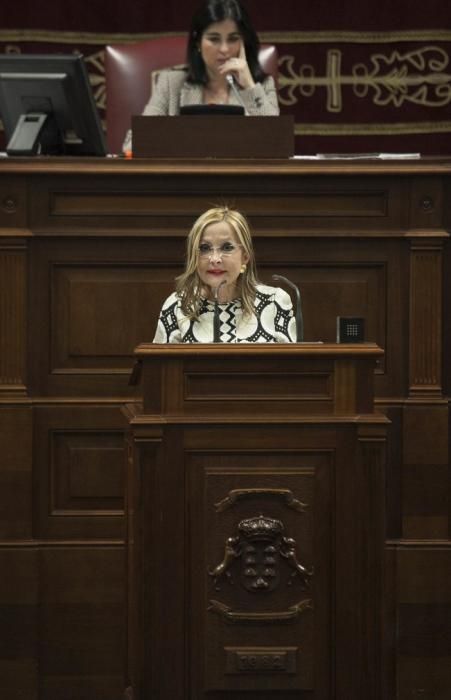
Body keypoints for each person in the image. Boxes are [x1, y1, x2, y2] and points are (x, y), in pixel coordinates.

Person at [123, 0, 279, 152]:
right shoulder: (171, 84)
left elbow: (277, 143)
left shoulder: (261, 86)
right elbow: (132, 145)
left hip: (242, 177)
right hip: (185, 176)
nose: (224, 49)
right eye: (214, 39)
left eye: (233, 39)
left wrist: (249, 87)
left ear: (244, 43)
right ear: (197, 42)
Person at [153, 206, 296, 343]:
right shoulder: (178, 306)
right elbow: (160, 367)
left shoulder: (274, 302)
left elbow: (294, 365)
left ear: (245, 256)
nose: (215, 259)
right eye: (204, 248)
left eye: (227, 247)